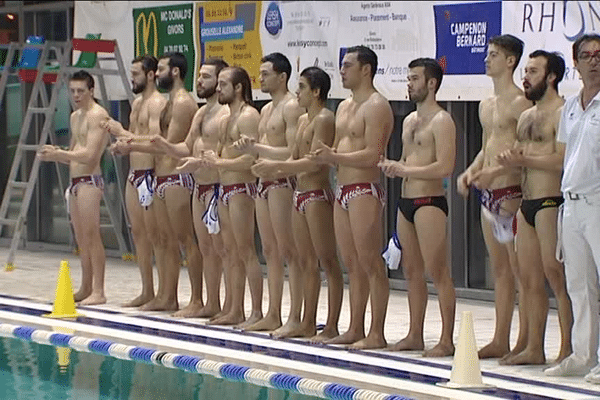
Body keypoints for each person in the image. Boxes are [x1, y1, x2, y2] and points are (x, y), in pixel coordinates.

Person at [309, 45, 394, 349]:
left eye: (347, 66)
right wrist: (327, 156)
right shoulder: (343, 106)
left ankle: (377, 332)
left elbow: (373, 153)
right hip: (342, 189)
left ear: (366, 70)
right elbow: (337, 150)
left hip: (363, 190)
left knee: (371, 262)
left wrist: (334, 155)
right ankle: (355, 327)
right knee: (352, 263)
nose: (342, 71)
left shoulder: (377, 105)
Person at [252, 66, 343, 340]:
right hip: (300, 195)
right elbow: (293, 156)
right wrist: (269, 163)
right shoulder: (304, 120)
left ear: (316, 92)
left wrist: (278, 171)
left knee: (328, 261)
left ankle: (331, 325)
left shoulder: (325, 119)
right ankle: (307, 322)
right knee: (305, 261)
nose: (298, 92)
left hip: (316, 195)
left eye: (302, 87)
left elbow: (316, 163)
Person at [456, 35, 532, 359]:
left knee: (521, 273)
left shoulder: (521, 103)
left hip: (511, 193)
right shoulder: (486, 104)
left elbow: (523, 151)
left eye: (494, 55)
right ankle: (501, 338)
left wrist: (493, 174)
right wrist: (471, 171)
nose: (487, 60)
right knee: (500, 271)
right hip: (487, 192)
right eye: (487, 54)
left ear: (511, 61)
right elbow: (487, 147)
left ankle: (526, 340)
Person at [496, 50, 571, 366]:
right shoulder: (526, 116)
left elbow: (562, 160)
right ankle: (534, 348)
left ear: (551, 76)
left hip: (551, 201)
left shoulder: (564, 112)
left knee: (557, 277)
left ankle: (568, 348)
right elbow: (518, 156)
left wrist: (524, 160)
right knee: (528, 280)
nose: (525, 76)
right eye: (525, 70)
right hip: (526, 205)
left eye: (533, 71)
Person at [378, 58, 456, 357]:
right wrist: (393, 167)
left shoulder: (442, 120)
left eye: (414, 79)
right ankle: (415, 334)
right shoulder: (409, 120)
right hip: (405, 202)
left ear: (431, 83)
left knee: (438, 272)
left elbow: (445, 166)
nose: (409, 84)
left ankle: (447, 339)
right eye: (408, 78)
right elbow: (408, 160)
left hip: (429, 202)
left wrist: (405, 169)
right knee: (411, 270)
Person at [111, 53, 199, 313]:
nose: (157, 73)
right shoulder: (167, 101)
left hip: (173, 176)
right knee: (157, 237)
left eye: (160, 69)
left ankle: (193, 299)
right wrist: (127, 142)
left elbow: (165, 145)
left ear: (173, 72)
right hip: (158, 177)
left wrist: (124, 137)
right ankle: (162, 294)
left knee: (182, 240)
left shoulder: (179, 102)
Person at [150, 58, 230, 318]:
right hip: (200, 185)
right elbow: (185, 146)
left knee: (224, 250)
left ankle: (229, 305)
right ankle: (209, 302)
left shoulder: (226, 114)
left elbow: (224, 153)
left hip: (219, 186)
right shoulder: (201, 112)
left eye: (206, 77)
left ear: (220, 81)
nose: (199, 81)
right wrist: (161, 144)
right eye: (199, 76)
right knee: (207, 248)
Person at [233, 53, 304, 335]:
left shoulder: (291, 107)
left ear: (282, 77)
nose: (259, 79)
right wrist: (249, 146)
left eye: (265, 74)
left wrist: (258, 150)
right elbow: (262, 148)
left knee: (289, 251)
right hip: (263, 184)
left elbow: (293, 153)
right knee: (270, 250)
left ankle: (295, 317)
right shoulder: (265, 111)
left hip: (282, 182)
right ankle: (270, 313)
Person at [188, 66, 263, 326]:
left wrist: (220, 164)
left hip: (241, 189)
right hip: (224, 189)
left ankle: (255, 312)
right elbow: (220, 156)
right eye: (217, 84)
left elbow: (250, 159)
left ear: (239, 87)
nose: (218, 89)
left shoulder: (249, 116)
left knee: (246, 251)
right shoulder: (225, 119)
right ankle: (234, 308)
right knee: (229, 251)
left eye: (223, 84)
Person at [545, 33, 600, 381]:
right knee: (578, 285)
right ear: (575, 63)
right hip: (573, 204)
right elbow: (565, 157)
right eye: (587, 55)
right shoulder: (569, 106)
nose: (594, 60)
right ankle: (582, 354)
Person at [38, 70, 110, 305]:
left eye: (81, 91)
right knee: (81, 238)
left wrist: (60, 153)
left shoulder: (98, 115)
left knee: (92, 235)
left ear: (92, 91)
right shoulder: (74, 117)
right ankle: (86, 286)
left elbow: (89, 155)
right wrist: (54, 154)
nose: (76, 95)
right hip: (76, 183)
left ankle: (99, 290)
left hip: (90, 180)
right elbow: (73, 152)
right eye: (72, 91)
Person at [102, 55, 166, 308]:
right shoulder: (137, 102)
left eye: (137, 74)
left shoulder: (157, 103)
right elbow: (133, 140)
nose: (132, 79)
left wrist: (121, 133)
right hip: (133, 174)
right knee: (138, 235)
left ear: (151, 75)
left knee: (156, 236)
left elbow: (155, 141)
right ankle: (146, 290)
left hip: (150, 175)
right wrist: (122, 146)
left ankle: (163, 294)